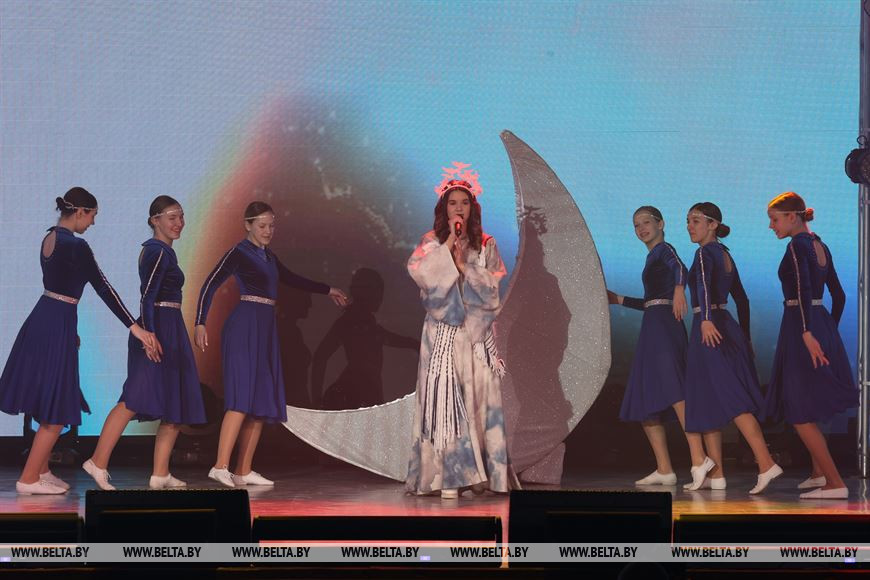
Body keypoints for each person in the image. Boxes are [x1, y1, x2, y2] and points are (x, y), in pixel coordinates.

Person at [0, 187, 158, 494]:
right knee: (57, 404)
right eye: (93, 216)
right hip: (55, 322)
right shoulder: (77, 245)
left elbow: (58, 286)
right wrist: (134, 327)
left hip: (46, 318)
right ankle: (29, 478)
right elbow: (103, 287)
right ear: (81, 211)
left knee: (47, 396)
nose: (93, 223)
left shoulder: (49, 237)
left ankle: (42, 470)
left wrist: (69, 329)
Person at [194, 201, 348, 487]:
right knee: (241, 398)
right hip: (244, 327)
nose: (268, 231)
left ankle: (243, 469)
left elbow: (291, 279)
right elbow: (209, 284)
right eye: (262, 226)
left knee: (260, 400)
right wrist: (200, 321)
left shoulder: (268, 257)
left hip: (265, 329)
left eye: (271, 226)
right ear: (248, 225)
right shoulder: (238, 253)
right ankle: (220, 465)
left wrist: (328, 290)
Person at [405, 162, 519, 499]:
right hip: (442, 334)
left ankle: (479, 474)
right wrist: (448, 255)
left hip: (476, 335)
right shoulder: (431, 242)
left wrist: (466, 266)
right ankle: (446, 476)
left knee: (479, 401)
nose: (459, 209)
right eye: (453, 203)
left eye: (464, 203)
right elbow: (422, 278)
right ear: (444, 208)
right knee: (446, 404)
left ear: (472, 207)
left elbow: (493, 287)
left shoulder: (485, 244)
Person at [83, 196, 206, 490]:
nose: (179, 223)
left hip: (170, 327)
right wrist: (149, 334)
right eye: (172, 217)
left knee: (175, 399)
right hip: (158, 328)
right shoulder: (156, 251)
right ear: (155, 220)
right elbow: (147, 296)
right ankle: (97, 461)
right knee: (133, 398)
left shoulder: (164, 251)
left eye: (181, 217)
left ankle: (161, 472)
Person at [763, 192, 857, 499]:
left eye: (775, 220)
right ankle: (819, 474)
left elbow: (803, 289)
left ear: (792, 217)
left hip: (800, 326)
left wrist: (806, 331)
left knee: (800, 409)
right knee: (809, 402)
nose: (771, 226)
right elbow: (838, 296)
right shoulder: (820, 244)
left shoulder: (796, 245)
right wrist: (826, 330)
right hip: (820, 324)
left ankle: (835, 483)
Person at [683, 202, 782, 494]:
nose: (690, 226)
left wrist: (706, 320)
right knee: (707, 398)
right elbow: (742, 299)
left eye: (696, 221)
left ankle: (766, 462)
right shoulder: (726, 254)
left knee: (733, 398)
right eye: (688, 221)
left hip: (709, 327)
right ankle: (717, 475)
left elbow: (703, 286)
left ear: (712, 224)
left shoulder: (704, 253)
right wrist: (746, 338)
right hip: (726, 326)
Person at [607, 206, 706, 486]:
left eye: (646, 222)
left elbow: (680, 268)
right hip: (653, 323)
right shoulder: (651, 257)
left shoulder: (664, 249)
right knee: (645, 397)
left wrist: (679, 289)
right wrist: (618, 300)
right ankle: (664, 469)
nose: (641, 229)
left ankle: (699, 459)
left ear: (660, 224)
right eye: (636, 225)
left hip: (664, 326)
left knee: (675, 389)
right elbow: (651, 302)